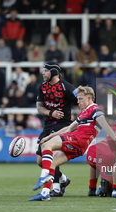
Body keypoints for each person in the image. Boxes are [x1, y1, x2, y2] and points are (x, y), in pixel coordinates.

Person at [29, 86, 116, 201]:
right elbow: (68, 129)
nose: (78, 102)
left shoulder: (94, 109)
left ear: (89, 98)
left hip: (78, 139)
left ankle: (43, 176)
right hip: (79, 146)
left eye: (80, 99)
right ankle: (45, 193)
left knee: (47, 146)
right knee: (52, 164)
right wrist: (49, 136)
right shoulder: (83, 113)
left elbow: (104, 124)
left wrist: (114, 138)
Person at [34, 61, 78, 197]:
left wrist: (83, 117)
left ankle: (57, 188)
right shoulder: (42, 87)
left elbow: (82, 101)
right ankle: (63, 179)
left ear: (53, 72)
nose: (43, 73)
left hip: (63, 125)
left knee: (50, 153)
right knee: (40, 161)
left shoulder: (67, 87)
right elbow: (39, 107)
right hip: (48, 125)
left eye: (45, 70)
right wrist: (50, 113)